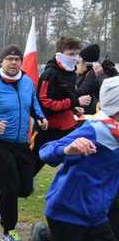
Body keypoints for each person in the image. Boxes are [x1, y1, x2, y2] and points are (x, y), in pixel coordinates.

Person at [0, 76, 119, 241]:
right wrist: (68, 148)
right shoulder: (96, 130)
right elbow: (47, 150)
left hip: (98, 216)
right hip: (68, 213)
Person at [0, 45, 48, 241]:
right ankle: (9, 231)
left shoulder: (26, 82)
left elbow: (33, 103)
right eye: (9, 59)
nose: (14, 63)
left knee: (24, 188)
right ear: (2, 62)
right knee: (11, 187)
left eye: (17, 59)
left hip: (21, 143)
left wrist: (40, 117)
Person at [34, 36, 91, 175]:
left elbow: (66, 96)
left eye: (77, 54)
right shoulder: (50, 74)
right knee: (28, 174)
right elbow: (45, 103)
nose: (74, 57)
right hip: (47, 129)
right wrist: (75, 102)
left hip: (67, 128)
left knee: (78, 164)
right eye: (71, 54)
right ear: (60, 54)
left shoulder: (71, 72)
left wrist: (73, 108)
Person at [76, 43, 105, 115]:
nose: (78, 62)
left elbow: (82, 91)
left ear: (84, 62)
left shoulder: (91, 74)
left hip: (90, 112)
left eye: (80, 59)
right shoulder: (84, 73)